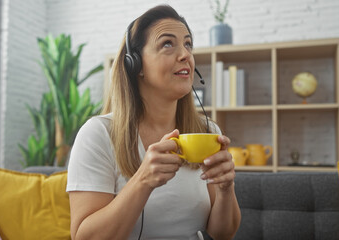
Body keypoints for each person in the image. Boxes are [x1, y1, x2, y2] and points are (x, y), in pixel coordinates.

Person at [67, 5, 241, 240]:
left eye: (188, 44)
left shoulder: (207, 131)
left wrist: (225, 188)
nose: (185, 55)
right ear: (135, 65)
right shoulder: (98, 134)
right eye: (168, 44)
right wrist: (143, 180)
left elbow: (223, 233)